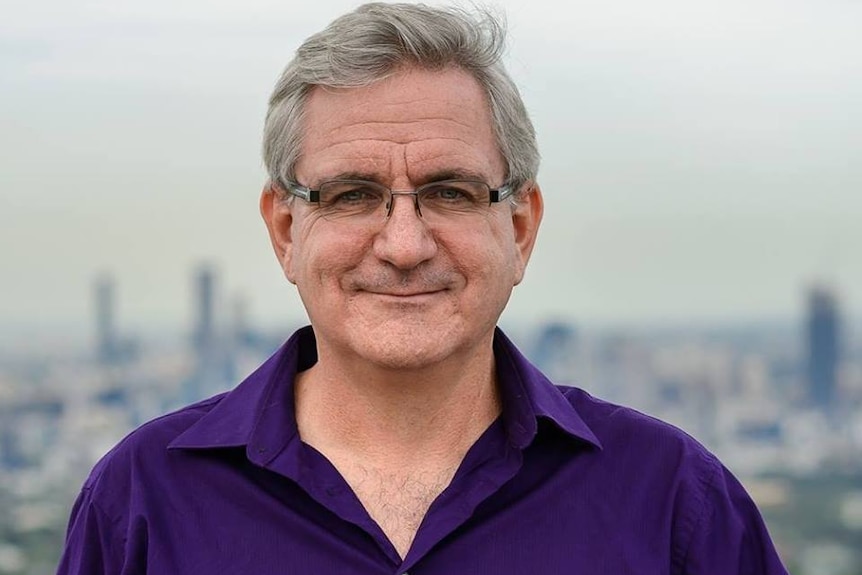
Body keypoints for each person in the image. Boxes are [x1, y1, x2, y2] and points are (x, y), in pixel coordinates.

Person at [57, 3, 788, 574]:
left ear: (520, 228)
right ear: (285, 230)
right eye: (349, 194)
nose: (404, 245)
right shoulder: (143, 500)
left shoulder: (670, 501)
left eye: (449, 192)